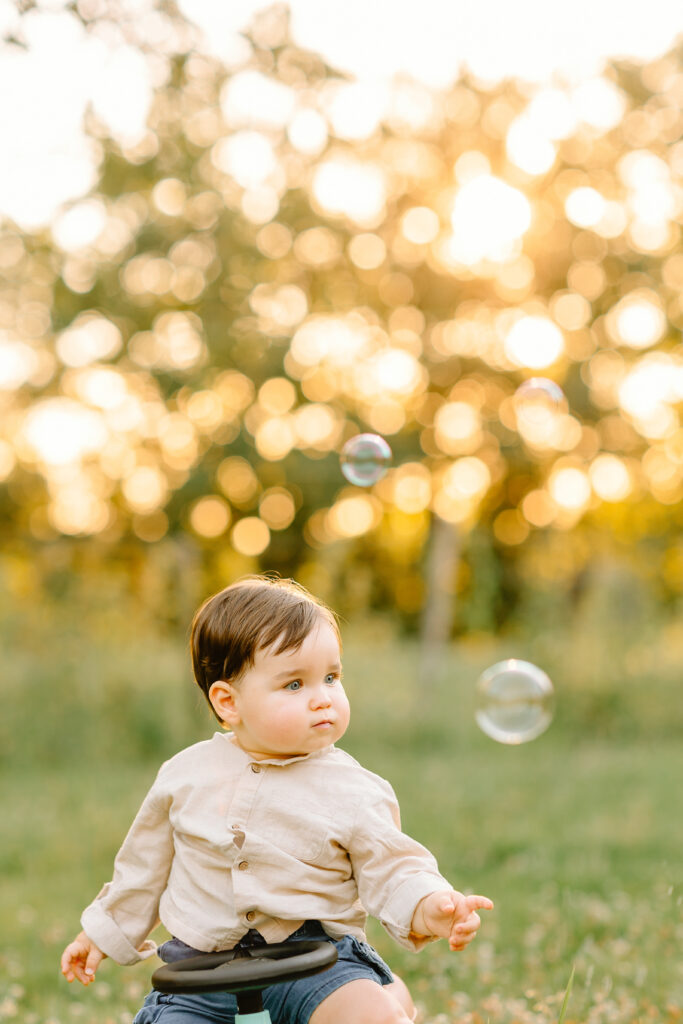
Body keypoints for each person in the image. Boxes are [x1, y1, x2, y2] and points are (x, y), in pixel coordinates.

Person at [61, 575, 493, 1024]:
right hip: (204, 976)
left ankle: (386, 1000)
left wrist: (431, 905)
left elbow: (392, 867)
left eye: (331, 677)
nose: (322, 698)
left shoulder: (353, 787)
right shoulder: (183, 777)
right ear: (228, 702)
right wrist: (101, 934)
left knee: (367, 1014)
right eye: (294, 685)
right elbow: (143, 870)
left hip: (318, 965)